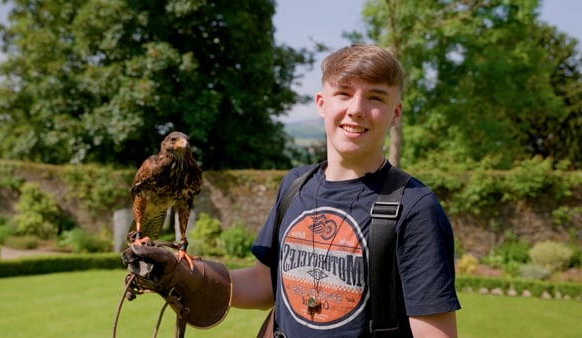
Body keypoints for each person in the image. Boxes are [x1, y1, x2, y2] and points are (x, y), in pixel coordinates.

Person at [122, 44, 460, 337]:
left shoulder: (414, 207)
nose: (356, 109)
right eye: (343, 93)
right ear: (321, 103)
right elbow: (263, 284)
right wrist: (184, 273)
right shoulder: (296, 186)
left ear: (395, 113)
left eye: (376, 97)